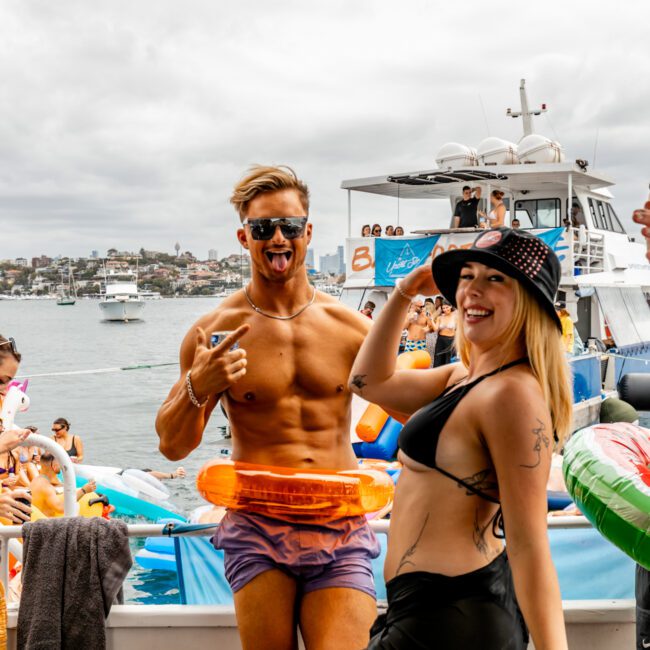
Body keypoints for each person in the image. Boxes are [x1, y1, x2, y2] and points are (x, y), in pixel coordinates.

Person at [156, 165, 380, 650]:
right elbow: (172, 447)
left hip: (339, 523)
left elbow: (414, 414)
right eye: (263, 229)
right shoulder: (213, 332)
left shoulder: (351, 330)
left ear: (308, 232)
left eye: (290, 227)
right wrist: (201, 382)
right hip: (257, 526)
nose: (277, 238)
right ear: (244, 237)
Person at [350, 227, 571, 649]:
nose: (472, 290)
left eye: (495, 279)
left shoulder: (513, 394)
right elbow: (366, 381)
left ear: (529, 300)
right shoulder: (461, 378)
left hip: (455, 618)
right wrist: (405, 291)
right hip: (421, 612)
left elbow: (529, 544)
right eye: (467, 276)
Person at [30, 453, 96, 517]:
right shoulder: (46, 487)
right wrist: (83, 490)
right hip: (46, 525)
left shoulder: (36, 480)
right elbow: (61, 508)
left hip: (38, 521)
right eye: (60, 464)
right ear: (54, 466)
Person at [432, 299, 457, 367]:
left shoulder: (456, 316)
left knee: (449, 360)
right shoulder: (440, 317)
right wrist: (431, 320)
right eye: (443, 308)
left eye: (447, 307)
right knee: (438, 359)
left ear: (451, 306)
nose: (445, 309)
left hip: (451, 340)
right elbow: (435, 329)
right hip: (440, 340)